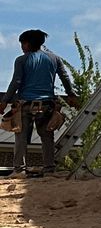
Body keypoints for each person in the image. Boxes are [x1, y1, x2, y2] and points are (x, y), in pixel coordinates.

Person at [7, 30, 78, 177]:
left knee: (20, 135)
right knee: (47, 136)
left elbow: (16, 81)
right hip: (47, 104)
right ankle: (49, 169)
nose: (22, 46)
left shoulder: (21, 60)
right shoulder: (54, 59)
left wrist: (4, 101)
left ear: (27, 43)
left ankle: (19, 170)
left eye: (23, 43)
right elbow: (65, 77)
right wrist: (71, 95)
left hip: (25, 103)